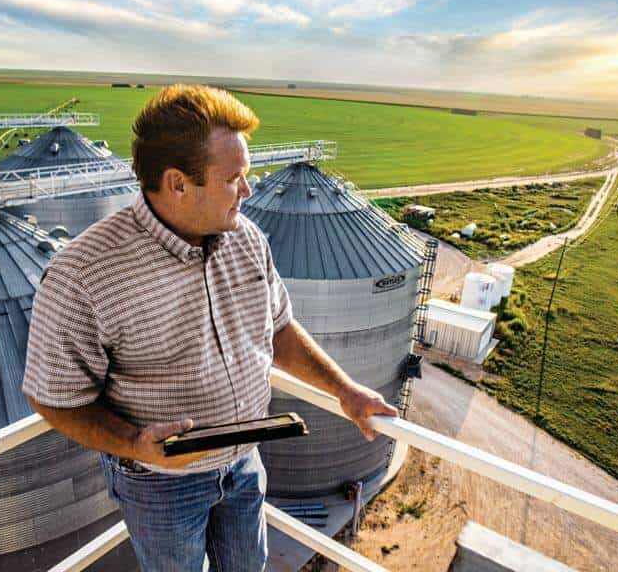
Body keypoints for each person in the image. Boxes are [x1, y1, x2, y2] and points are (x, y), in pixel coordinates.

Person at [22, 84, 398, 571]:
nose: (248, 189)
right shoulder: (85, 275)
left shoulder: (246, 238)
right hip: (160, 484)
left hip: (244, 463)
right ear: (178, 184)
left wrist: (344, 390)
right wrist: (135, 446)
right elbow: (53, 396)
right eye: (234, 177)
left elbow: (279, 329)